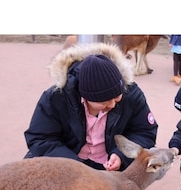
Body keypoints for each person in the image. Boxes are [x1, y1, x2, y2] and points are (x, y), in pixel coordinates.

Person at [24, 43, 158, 171]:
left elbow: (145, 132)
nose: (112, 105)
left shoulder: (132, 94)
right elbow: (40, 138)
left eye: (117, 98)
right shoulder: (56, 97)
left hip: (109, 166)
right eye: (104, 102)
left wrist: (121, 155)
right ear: (85, 96)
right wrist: (72, 164)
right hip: (70, 162)